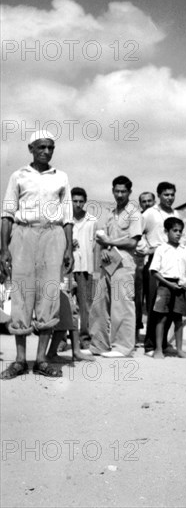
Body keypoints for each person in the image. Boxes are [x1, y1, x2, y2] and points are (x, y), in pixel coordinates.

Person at [0, 130, 74, 379]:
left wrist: (68, 248)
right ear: (31, 148)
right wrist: (3, 250)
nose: (46, 151)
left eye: (51, 147)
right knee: (21, 295)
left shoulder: (61, 177)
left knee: (49, 296)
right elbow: (7, 214)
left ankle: (41, 360)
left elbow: (67, 216)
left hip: (53, 236)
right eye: (41, 147)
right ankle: (20, 361)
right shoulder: (18, 175)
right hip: (23, 235)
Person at [84, 176, 142, 358]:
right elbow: (104, 240)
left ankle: (122, 347)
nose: (119, 195)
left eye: (123, 191)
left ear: (130, 192)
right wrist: (103, 249)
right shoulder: (110, 214)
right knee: (99, 305)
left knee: (122, 306)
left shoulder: (134, 214)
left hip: (125, 265)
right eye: (116, 191)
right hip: (109, 264)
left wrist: (109, 241)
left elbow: (133, 242)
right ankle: (98, 345)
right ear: (112, 191)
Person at [142, 182, 186, 355]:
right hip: (156, 261)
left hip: (174, 261)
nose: (169, 198)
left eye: (172, 194)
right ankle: (150, 345)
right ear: (159, 195)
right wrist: (148, 249)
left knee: (171, 307)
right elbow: (138, 235)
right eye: (166, 195)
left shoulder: (177, 214)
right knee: (156, 304)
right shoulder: (150, 213)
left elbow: (183, 238)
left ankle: (163, 343)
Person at [148, 217, 186, 359]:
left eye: (180, 231)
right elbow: (154, 272)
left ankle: (179, 350)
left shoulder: (185, 250)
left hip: (180, 287)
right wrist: (169, 284)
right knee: (161, 318)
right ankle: (158, 349)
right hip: (165, 286)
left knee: (178, 319)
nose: (178, 234)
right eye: (174, 230)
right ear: (166, 231)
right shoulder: (161, 249)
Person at [71, 187, 97, 349]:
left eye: (81, 201)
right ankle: (60, 340)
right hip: (67, 267)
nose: (78, 204)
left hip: (85, 267)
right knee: (65, 305)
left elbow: (94, 244)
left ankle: (85, 338)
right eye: (75, 201)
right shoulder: (64, 220)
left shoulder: (92, 220)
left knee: (85, 305)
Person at [46, 275, 95, 362]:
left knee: (72, 308)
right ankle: (52, 353)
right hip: (61, 273)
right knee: (66, 307)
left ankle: (75, 351)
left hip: (71, 271)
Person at [134, 191, 156, 342]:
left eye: (150, 201)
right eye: (144, 201)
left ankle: (151, 337)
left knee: (152, 300)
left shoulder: (157, 218)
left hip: (153, 264)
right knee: (136, 300)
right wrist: (146, 249)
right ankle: (134, 335)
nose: (147, 204)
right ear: (140, 203)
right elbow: (135, 239)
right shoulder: (137, 219)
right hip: (138, 263)